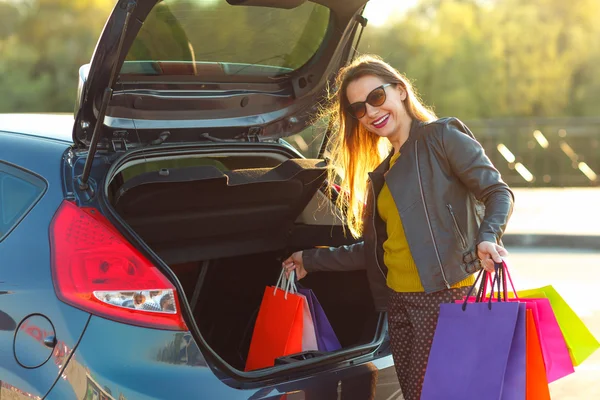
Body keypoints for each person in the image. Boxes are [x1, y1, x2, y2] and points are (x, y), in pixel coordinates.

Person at [282, 54, 514, 400]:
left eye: (376, 97)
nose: (371, 112)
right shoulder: (383, 172)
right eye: (359, 109)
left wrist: (486, 238)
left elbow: (498, 192)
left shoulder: (441, 136)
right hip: (399, 303)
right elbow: (376, 252)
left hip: (447, 297)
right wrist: (309, 259)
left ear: (401, 91)